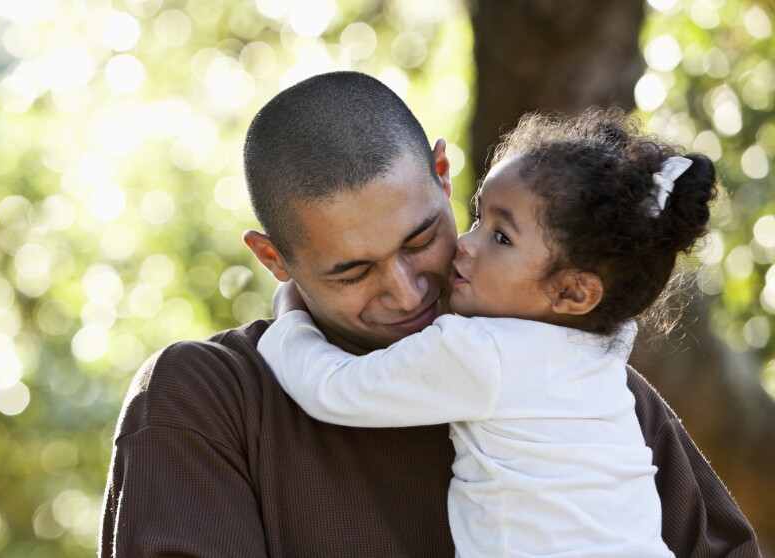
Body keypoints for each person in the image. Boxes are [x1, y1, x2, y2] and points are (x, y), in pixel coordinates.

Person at [98, 71, 761, 557]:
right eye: (352, 271)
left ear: (444, 175)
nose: (408, 290)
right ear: (275, 259)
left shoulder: (585, 385)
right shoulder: (208, 400)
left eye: (420, 240)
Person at [257, 108, 711, 557]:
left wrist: (289, 318)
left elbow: (333, 389)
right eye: (479, 219)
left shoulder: (478, 353)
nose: (467, 244)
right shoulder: (602, 355)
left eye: (500, 238)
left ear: (573, 292)